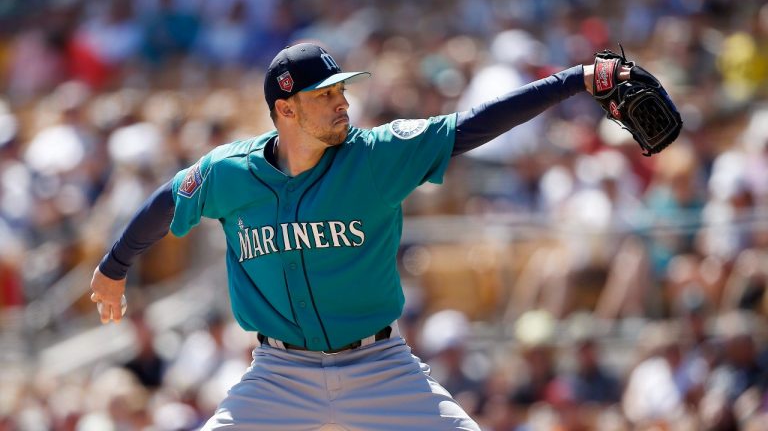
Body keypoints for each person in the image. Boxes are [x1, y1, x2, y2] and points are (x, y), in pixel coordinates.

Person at [90, 42, 628, 430]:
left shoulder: (374, 155)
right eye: (324, 95)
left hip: (381, 367)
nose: (342, 102)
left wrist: (578, 79)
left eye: (341, 89)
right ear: (285, 109)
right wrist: (114, 268)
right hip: (279, 374)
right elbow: (167, 201)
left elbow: (472, 126)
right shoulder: (229, 172)